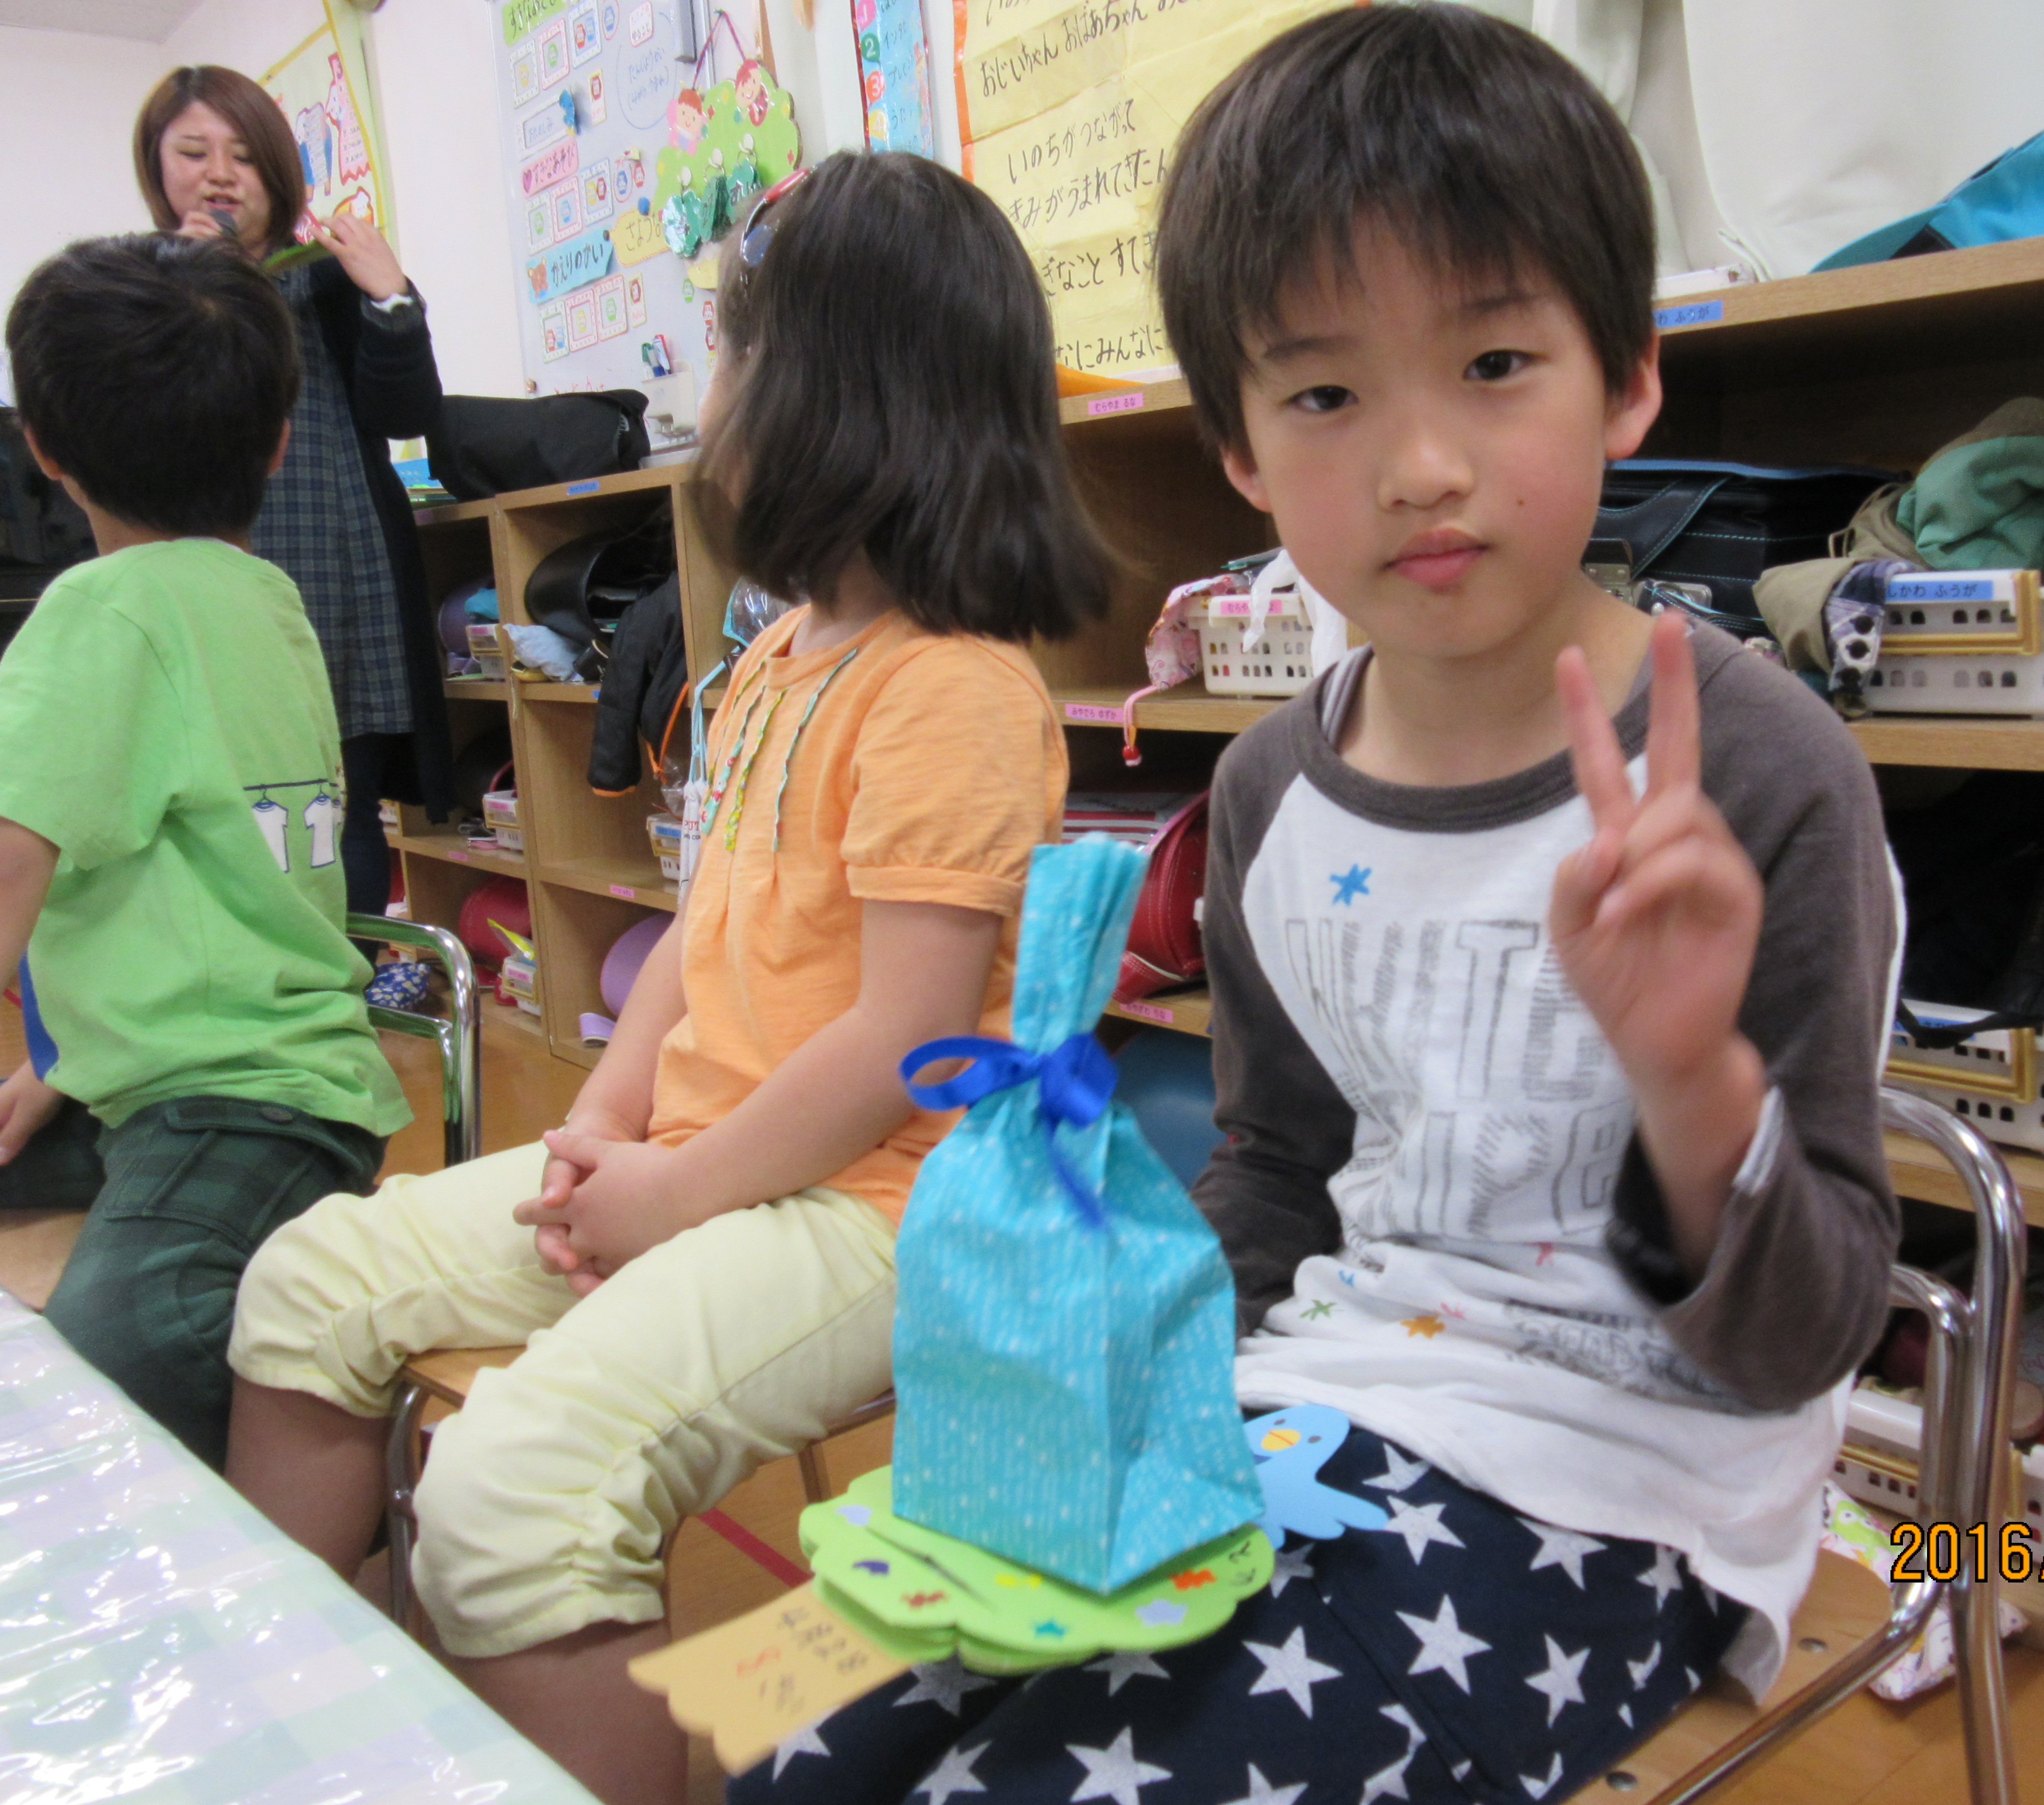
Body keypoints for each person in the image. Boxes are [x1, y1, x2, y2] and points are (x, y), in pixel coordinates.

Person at [743, 10, 1898, 1804]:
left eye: (1495, 361)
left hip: (1619, 1489)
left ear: (1626, 379)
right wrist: (1126, 1365)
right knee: (794, 1746)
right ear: (1238, 452)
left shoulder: (1751, 775)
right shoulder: (1277, 786)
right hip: (1319, 1404)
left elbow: (1803, 1337)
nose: (1419, 463)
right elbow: (1280, 1168)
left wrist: (1691, 1083)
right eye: (1325, 395)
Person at [222, 152, 1112, 1805]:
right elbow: (701, 945)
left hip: (890, 1208)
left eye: (732, 349)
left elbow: (905, 1035)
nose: (713, 395)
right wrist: (609, 1126)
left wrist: (676, 1195)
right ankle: (314, 1726)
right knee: (307, 1283)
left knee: (515, 1493)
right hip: (712, 1166)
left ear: (843, 395)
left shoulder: (955, 684)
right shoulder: (771, 655)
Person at [0, 234, 408, 1467]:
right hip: (209, 1080)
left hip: (243, 1105)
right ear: (279, 443)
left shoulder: (98, 615)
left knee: (110, 1360)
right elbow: (214, 880)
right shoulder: (266, 595)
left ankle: (297, 1513)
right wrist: (69, 1061)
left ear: (44, 450)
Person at [133, 65, 456, 922]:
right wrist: (188, 295)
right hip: (195, 581)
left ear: (278, 172)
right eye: (194, 152)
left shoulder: (328, 278)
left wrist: (393, 296)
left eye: (244, 155)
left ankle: (344, 984)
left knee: (339, 806)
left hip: (335, 575)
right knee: (212, 802)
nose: (220, 175)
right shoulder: (137, 292)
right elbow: (137, 433)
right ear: (158, 168)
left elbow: (407, 415)